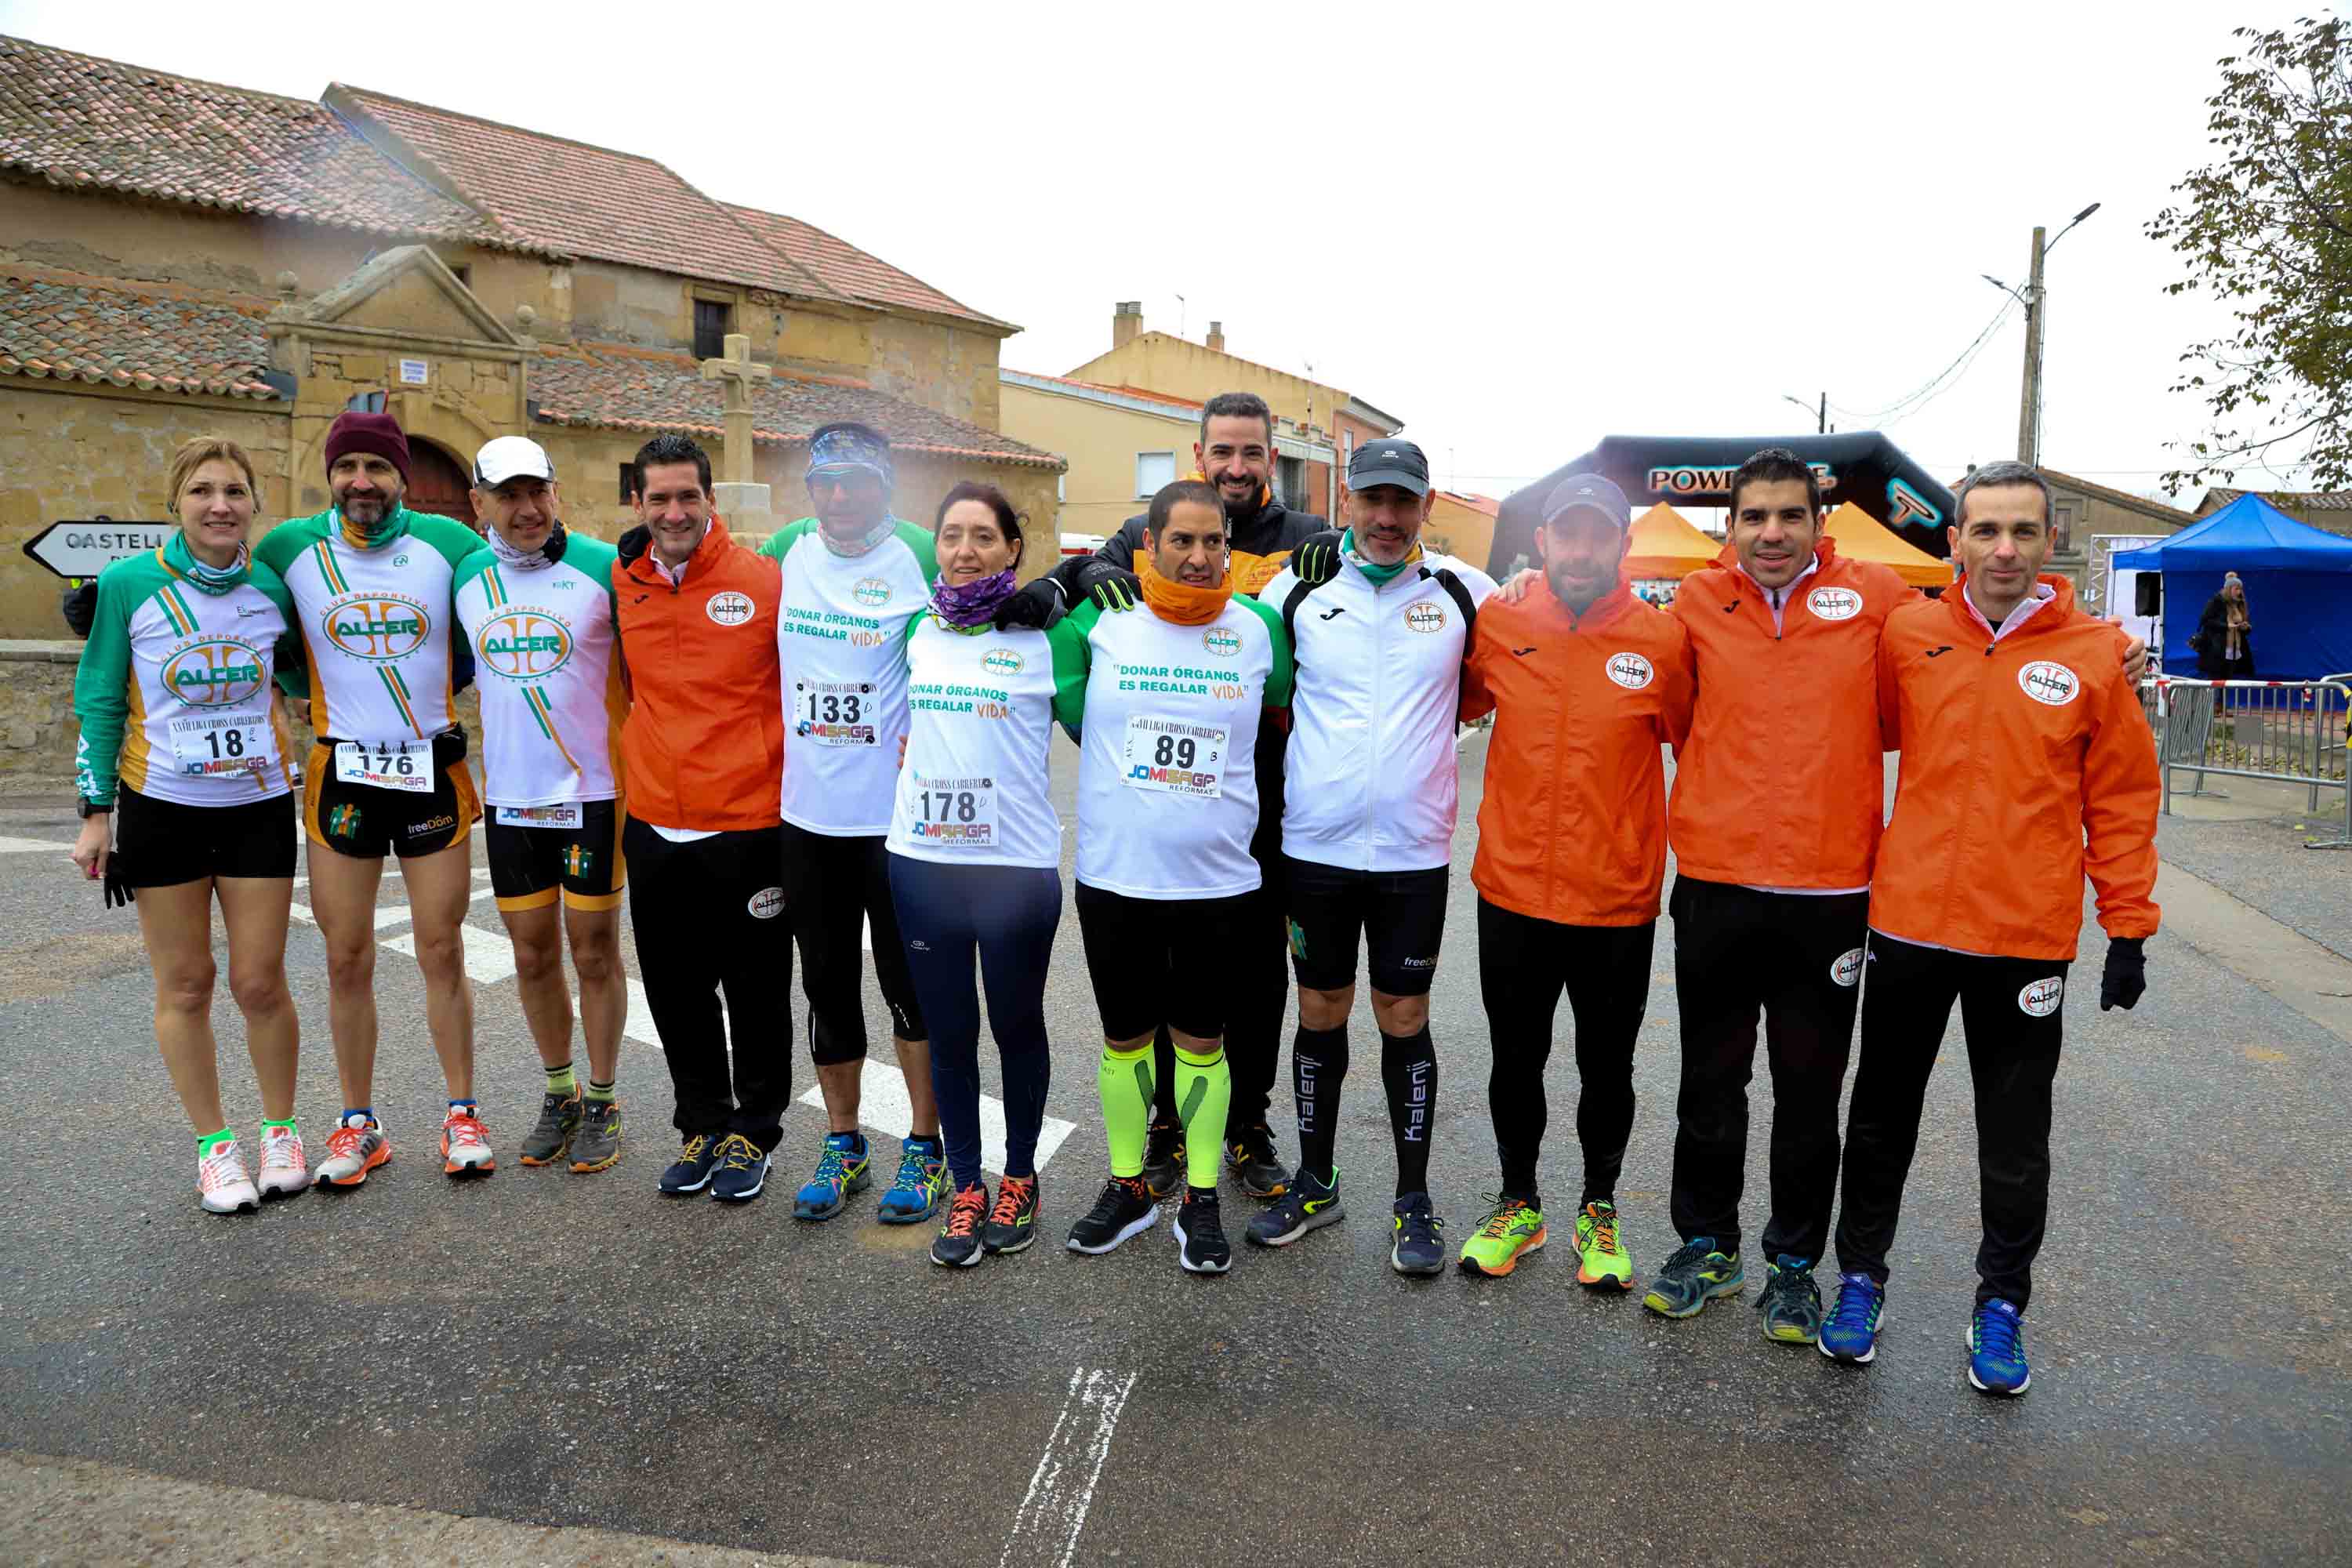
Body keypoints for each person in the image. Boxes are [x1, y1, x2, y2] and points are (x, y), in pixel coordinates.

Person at [1822, 461, 2159, 1396]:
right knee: (1881, 1118)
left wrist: (2127, 925)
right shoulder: (1909, 632)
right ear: (1955, 540)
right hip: (1910, 925)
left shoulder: (2096, 654)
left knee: (2014, 1136)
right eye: (1985, 531)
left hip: (2023, 936)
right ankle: (1859, 1280)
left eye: (2022, 531)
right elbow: (1859, 707)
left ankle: (2001, 1302)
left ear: (2051, 541)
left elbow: (2124, 799)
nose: (2004, 549)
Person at [997, 390, 1317, 1201]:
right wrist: (1081, 573)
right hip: (1156, 813)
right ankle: (1168, 1129)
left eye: (1253, 453)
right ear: (1199, 455)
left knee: (1250, 982)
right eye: (1224, 452)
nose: (1238, 467)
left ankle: (1246, 1124)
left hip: (1263, 806)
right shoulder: (1150, 528)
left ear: (1271, 456)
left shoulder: (1310, 542)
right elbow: (1079, 581)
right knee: (1157, 980)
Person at [1243, 437, 1497, 1275]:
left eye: (1404, 502)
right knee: (1319, 1011)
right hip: (1314, 847)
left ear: (1426, 505)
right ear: (1348, 500)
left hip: (1413, 853)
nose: (1387, 519)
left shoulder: (1466, 591)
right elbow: (1238, 672)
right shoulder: (1297, 587)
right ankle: (1316, 1182)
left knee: (1405, 1018)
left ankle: (1412, 1197)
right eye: (1373, 500)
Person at [1454, 474, 1693, 1286]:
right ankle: (1519, 1202)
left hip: (1614, 898)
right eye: (1568, 534)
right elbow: (1456, 701)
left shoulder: (1663, 641)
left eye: (1598, 535)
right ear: (1545, 541)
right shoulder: (1501, 619)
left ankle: (1599, 1208)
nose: (1582, 550)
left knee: (1607, 1066)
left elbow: (1699, 746)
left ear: (1622, 546)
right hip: (1514, 890)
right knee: (1514, 1059)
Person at [1056, 479, 1295, 1273]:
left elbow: (1283, 706)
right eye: (1181, 541)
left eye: (1213, 542)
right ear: (1147, 545)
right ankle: (1128, 1186)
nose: (1198, 558)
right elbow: (1067, 703)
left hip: (1218, 883)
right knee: (1125, 1040)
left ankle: (1198, 1196)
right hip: (1117, 876)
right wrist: (1072, 577)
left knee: (1201, 1043)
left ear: (1229, 545)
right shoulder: (1101, 620)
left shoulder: (1259, 628)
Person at [255, 411, 492, 1187]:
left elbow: (501, 612)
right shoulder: (288, 547)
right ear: (331, 474)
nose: (363, 482)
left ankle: (462, 1112)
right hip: (342, 776)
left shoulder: (450, 544)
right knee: (347, 953)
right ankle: (358, 1122)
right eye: (348, 466)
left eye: (378, 468)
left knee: (441, 945)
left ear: (403, 478)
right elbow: (242, 612)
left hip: (430, 770)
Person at [70, 437, 305, 1212]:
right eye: (203, 489)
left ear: (252, 506)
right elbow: (101, 694)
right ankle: (214, 1146)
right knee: (186, 981)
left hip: (258, 806)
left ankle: (279, 1130)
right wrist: (95, 811)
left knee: (260, 980)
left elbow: (309, 670)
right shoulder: (129, 583)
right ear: (177, 501)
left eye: (235, 490)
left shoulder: (271, 586)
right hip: (161, 804)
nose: (220, 504)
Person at [889, 481, 1085, 1267]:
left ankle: (1020, 1176)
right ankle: (965, 1184)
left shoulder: (1052, 636)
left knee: (1014, 1026)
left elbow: (1103, 731)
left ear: (1013, 549)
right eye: (951, 534)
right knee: (949, 1032)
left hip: (1014, 867)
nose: (964, 549)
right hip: (924, 862)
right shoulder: (915, 628)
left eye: (983, 536)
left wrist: (1070, 585)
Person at [758, 424, 946, 1226]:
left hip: (895, 822)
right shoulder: (785, 549)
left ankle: (927, 1143)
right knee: (827, 984)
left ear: (885, 484)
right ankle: (844, 1142)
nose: (837, 499)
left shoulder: (920, 553)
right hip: (809, 816)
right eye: (823, 483)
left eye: (854, 483)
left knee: (912, 989)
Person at [611, 434, 793, 1205]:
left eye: (688, 496)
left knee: (755, 987)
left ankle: (755, 1128)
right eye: (659, 498)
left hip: (749, 820)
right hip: (654, 820)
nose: (675, 511)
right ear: (638, 505)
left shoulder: (764, 581)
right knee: (675, 987)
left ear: (710, 499)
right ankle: (703, 1124)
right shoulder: (622, 577)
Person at [453, 437, 627, 1174]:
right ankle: (558, 1092)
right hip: (514, 799)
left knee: (593, 952)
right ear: (479, 504)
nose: (526, 510)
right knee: (531, 954)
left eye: (538, 492)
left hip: (594, 793)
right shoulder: (463, 574)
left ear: (556, 492)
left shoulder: (602, 566)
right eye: (508, 495)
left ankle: (604, 1097)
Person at [2194, 572, 2256, 679]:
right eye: (2236, 589)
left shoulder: (2239, 604)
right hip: (2217, 650)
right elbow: (2205, 621)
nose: (2239, 592)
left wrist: (2245, 628)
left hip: (2234, 651)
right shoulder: (2216, 601)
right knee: (2215, 683)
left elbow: (2242, 628)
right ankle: (2215, 696)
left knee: (2226, 683)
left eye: (2240, 589)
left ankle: (2221, 696)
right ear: (2229, 589)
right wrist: (2226, 626)